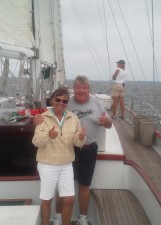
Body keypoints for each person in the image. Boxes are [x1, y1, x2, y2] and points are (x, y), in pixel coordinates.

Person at [34, 75, 112, 225]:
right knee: (60, 188)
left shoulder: (98, 104)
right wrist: (34, 119)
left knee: (84, 185)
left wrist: (106, 121)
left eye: (84, 88)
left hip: (88, 149)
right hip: (68, 150)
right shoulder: (66, 102)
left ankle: (82, 218)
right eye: (78, 87)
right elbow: (49, 114)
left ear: (89, 89)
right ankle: (57, 217)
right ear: (73, 89)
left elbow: (109, 125)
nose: (81, 90)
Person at [32, 87, 86, 225]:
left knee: (69, 199)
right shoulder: (42, 118)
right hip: (47, 164)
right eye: (58, 99)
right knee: (47, 199)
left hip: (66, 164)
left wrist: (80, 137)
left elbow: (77, 143)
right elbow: (36, 142)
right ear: (52, 100)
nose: (61, 103)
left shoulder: (73, 118)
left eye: (65, 101)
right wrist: (48, 135)